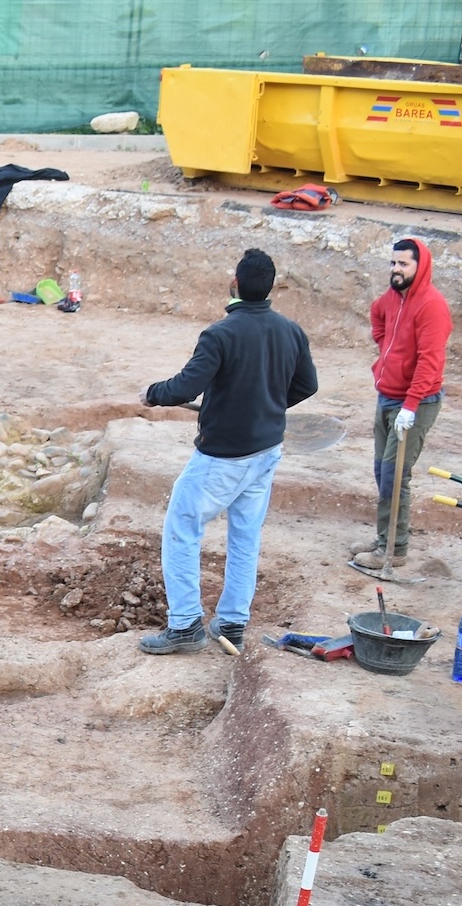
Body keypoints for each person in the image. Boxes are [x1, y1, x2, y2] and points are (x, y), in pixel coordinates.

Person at [138, 248, 319, 655]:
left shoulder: (220, 334)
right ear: (270, 287)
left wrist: (153, 394)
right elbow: (307, 385)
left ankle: (185, 624)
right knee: (245, 535)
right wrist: (266, 407)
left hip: (222, 456)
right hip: (266, 450)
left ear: (235, 283)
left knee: (182, 527)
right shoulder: (291, 330)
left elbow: (186, 387)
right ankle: (233, 622)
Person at [354, 238, 451, 570]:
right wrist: (386, 350)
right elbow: (376, 313)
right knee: (382, 471)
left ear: (420, 267)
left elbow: (430, 362)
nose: (396, 269)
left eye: (403, 264)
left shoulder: (432, 306)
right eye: (393, 263)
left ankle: (394, 550)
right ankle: (385, 538)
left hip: (415, 403)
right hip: (387, 395)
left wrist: (410, 406)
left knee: (395, 477)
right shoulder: (392, 298)